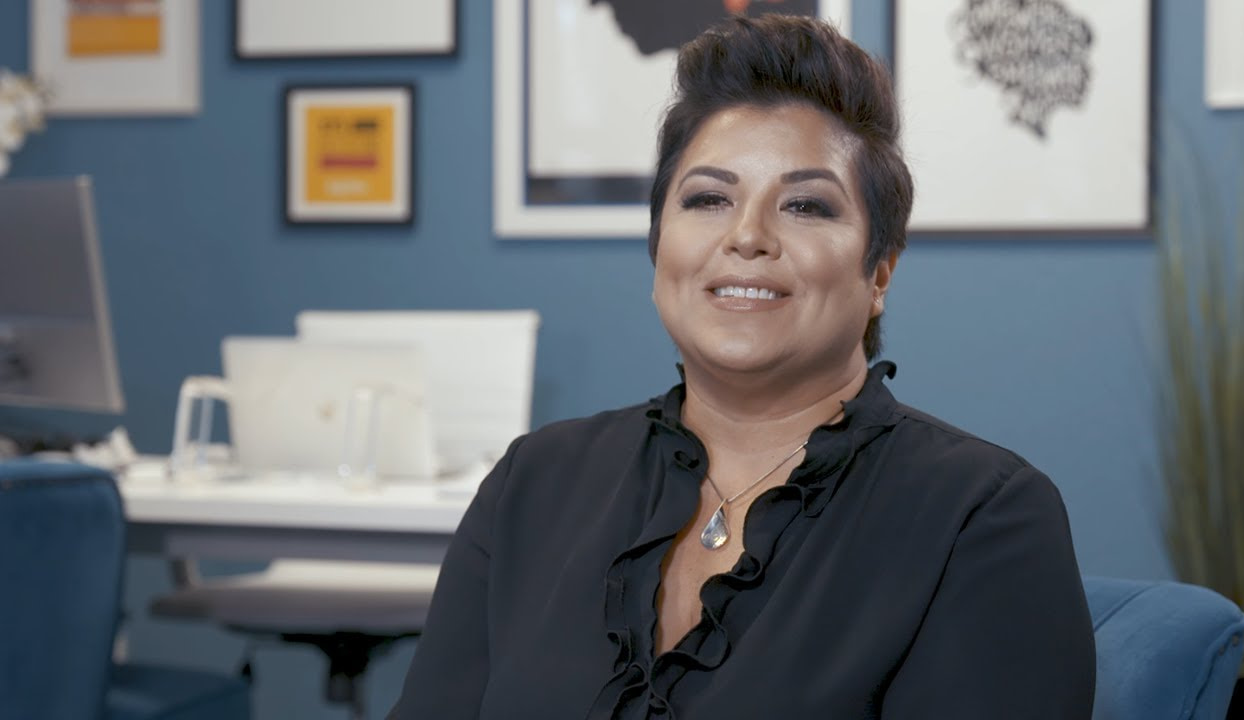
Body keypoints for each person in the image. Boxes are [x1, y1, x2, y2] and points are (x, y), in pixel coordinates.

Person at [391, 13, 1094, 719]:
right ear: (659, 246)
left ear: (879, 271)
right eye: (709, 199)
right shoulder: (532, 482)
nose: (748, 235)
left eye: (805, 205)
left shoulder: (983, 516)